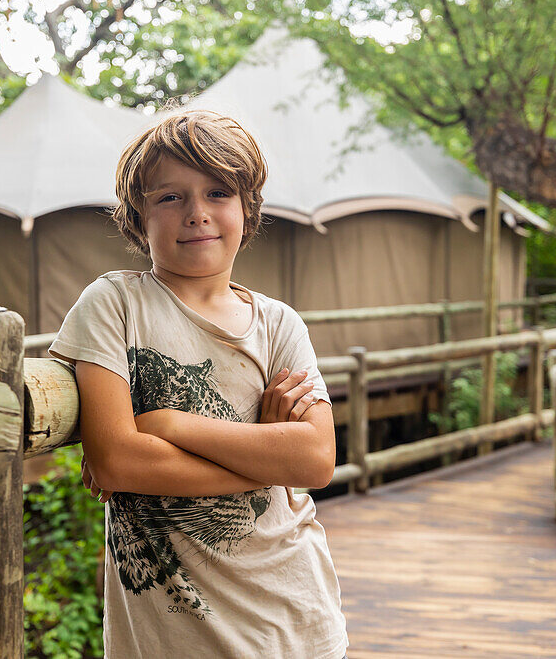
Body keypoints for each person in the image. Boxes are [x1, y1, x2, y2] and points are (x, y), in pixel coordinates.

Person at [48, 108, 349, 658]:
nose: (196, 214)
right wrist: (264, 458)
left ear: (247, 210)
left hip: (294, 622)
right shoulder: (115, 304)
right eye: (170, 197)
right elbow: (118, 461)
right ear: (138, 216)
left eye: (217, 193)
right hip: (173, 640)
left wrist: (167, 424)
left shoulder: (278, 323)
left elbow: (314, 460)